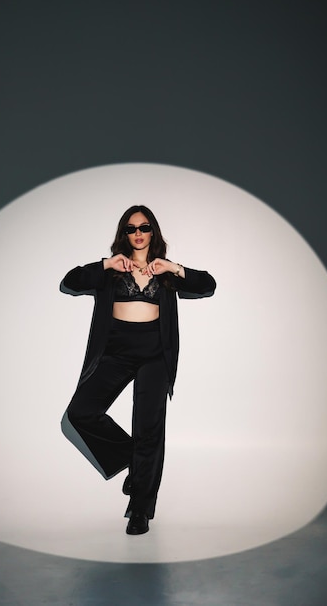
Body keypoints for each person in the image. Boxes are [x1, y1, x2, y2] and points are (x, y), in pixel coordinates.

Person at [60, 205, 216, 535]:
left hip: (154, 355)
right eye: (131, 229)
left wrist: (175, 267)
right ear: (124, 234)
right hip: (116, 352)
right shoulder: (113, 269)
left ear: (153, 232)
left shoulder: (165, 271)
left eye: (145, 227)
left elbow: (208, 284)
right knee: (80, 413)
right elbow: (70, 281)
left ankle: (140, 510)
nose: (139, 233)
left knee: (149, 429)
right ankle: (132, 458)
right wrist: (105, 264)